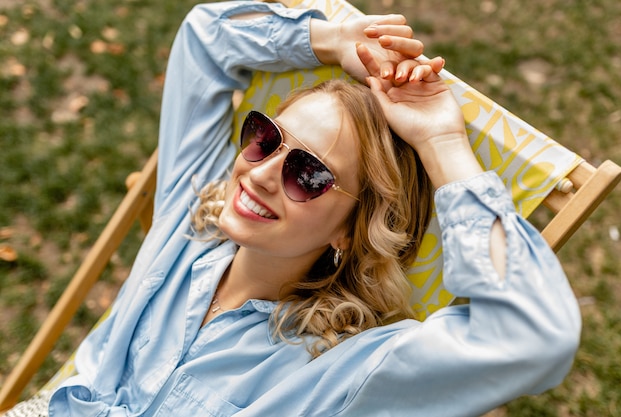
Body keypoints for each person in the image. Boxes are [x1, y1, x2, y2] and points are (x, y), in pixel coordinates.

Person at [41, 1, 580, 416]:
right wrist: (332, 39)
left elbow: (531, 336)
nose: (261, 172)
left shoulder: (338, 372)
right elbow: (206, 39)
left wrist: (441, 141)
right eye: (265, 136)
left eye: (310, 174)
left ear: (350, 231)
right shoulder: (191, 221)